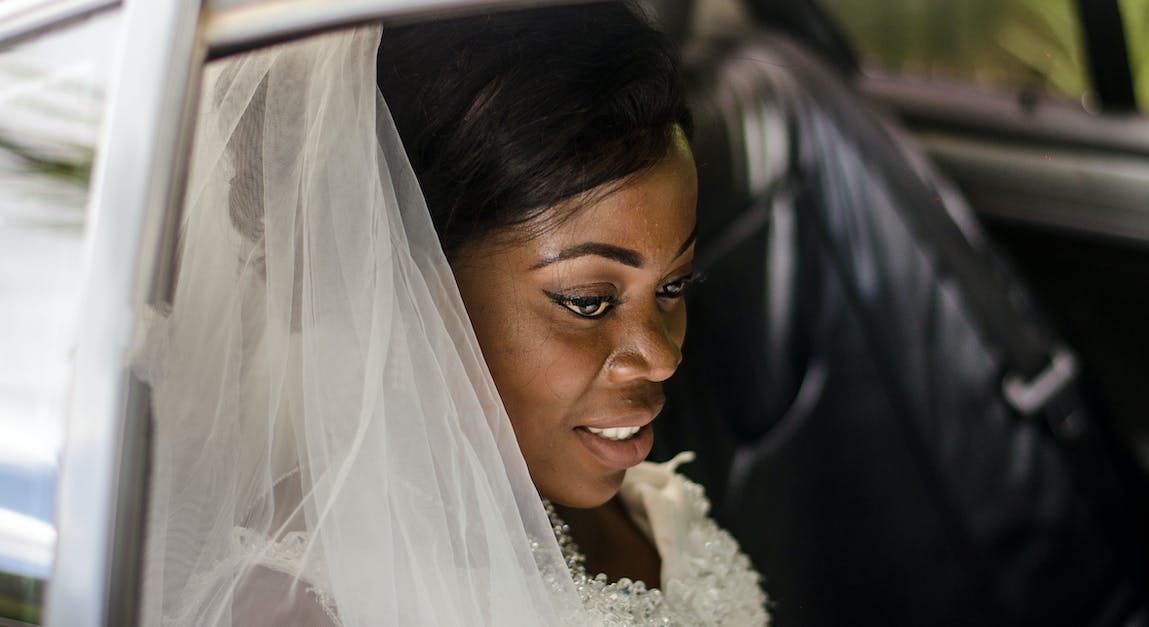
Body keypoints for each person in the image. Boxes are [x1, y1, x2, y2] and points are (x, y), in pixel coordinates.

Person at [136, 3, 767, 626]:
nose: (661, 356)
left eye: (674, 285)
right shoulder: (305, 606)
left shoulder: (642, 512)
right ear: (396, 278)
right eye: (587, 302)